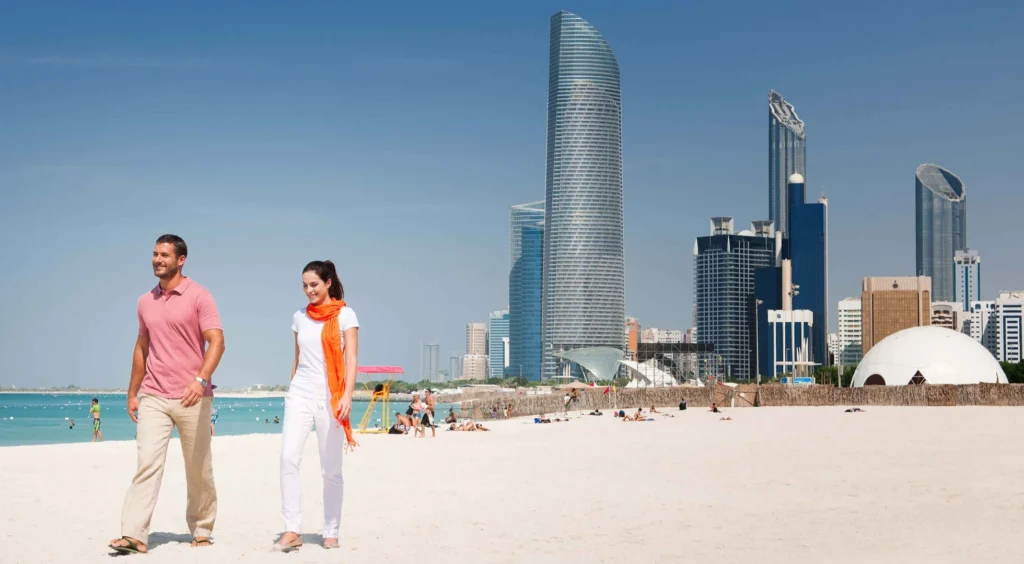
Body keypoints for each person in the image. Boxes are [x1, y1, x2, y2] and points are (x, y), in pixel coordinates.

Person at [110, 235, 225, 555]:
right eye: (154, 254)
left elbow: (217, 342)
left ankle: (201, 529)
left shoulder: (200, 295)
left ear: (181, 259)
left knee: (198, 467)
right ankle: (134, 535)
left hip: (193, 396)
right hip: (154, 395)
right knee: (146, 464)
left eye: (164, 255)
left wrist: (200, 380)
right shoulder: (144, 301)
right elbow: (142, 347)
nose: (157, 259)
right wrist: (133, 392)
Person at [275, 260, 359, 552]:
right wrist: (291, 389)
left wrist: (347, 396)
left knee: (331, 468)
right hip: (300, 392)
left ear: (328, 283)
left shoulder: (346, 315)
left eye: (314, 284)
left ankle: (331, 531)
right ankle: (292, 528)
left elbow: (351, 360)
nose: (309, 290)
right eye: (304, 285)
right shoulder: (299, 317)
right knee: (288, 458)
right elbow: (297, 358)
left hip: (331, 396)